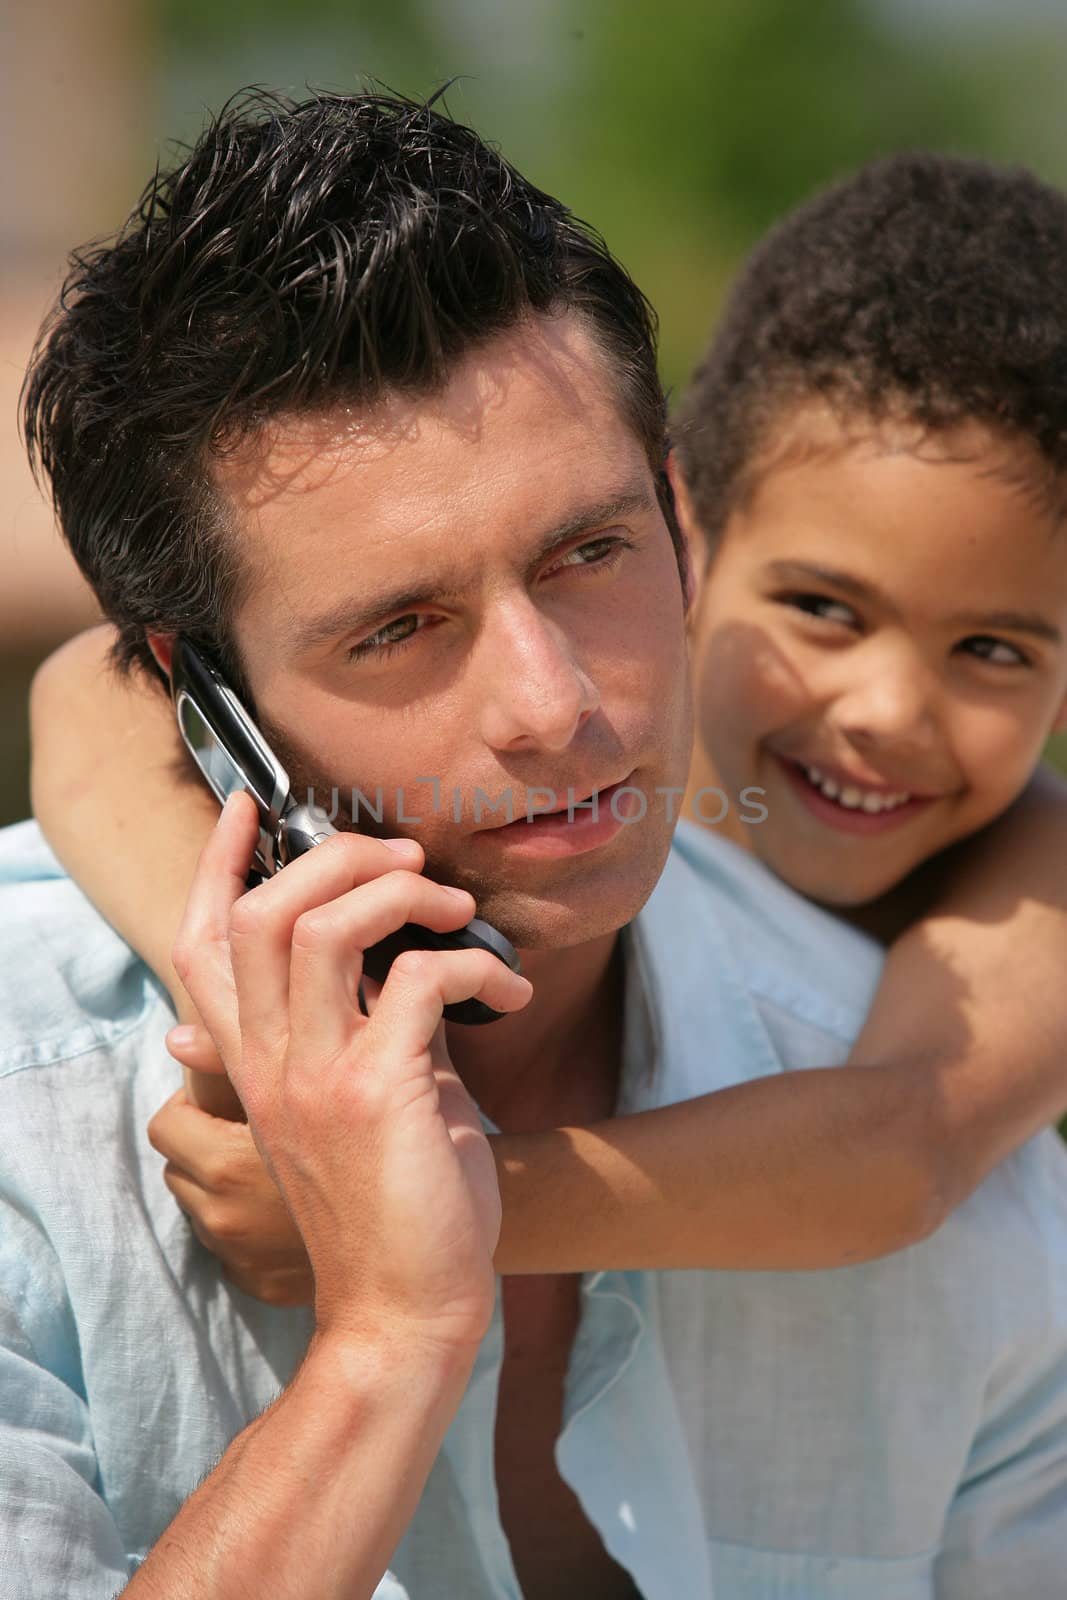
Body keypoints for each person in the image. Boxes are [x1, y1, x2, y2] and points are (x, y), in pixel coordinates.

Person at [8, 97, 1067, 1596]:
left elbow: (908, 1150)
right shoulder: (29, 1114)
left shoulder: (982, 1183)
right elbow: (82, 705)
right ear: (205, 700)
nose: (555, 704)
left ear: (680, 523)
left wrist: (469, 1195)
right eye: (399, 628)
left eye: (591, 553)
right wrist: (385, 1336)